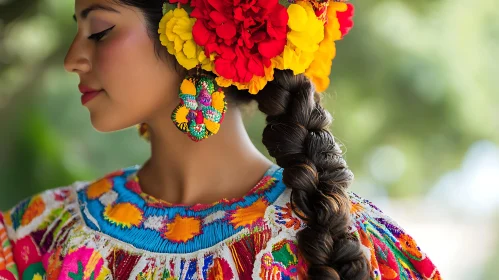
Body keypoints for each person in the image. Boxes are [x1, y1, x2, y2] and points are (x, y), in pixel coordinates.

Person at [0, 0, 442, 279]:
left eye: (98, 30)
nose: (72, 58)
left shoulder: (344, 239)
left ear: (191, 32)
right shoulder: (37, 234)